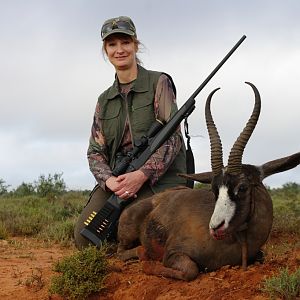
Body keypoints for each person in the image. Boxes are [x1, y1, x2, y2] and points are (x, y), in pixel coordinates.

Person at [74, 16, 187, 249]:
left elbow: (173, 138)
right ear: (105, 50)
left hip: (159, 179)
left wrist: (142, 174)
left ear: (136, 45)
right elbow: (95, 152)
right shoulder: (104, 100)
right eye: (112, 44)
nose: (119, 50)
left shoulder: (159, 83)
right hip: (120, 177)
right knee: (84, 237)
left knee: (143, 226)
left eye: (125, 42)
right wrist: (110, 181)